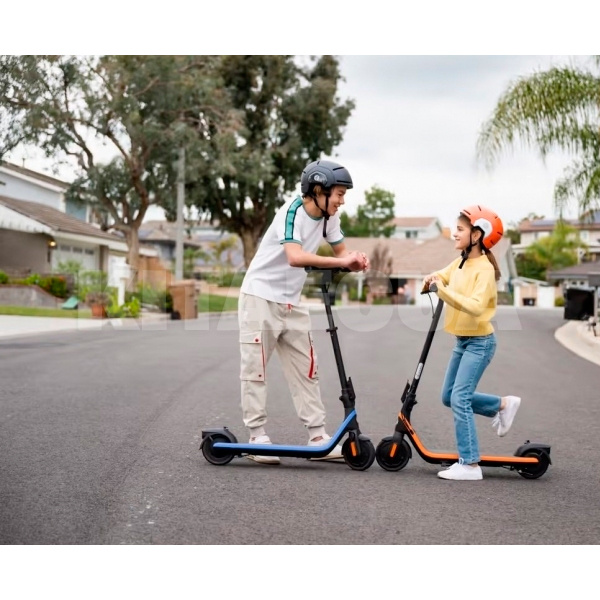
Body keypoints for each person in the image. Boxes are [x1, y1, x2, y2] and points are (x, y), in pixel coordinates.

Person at [238, 159, 369, 464]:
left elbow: (341, 254)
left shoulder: (328, 218)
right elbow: (295, 257)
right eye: (338, 193)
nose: (342, 200)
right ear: (318, 190)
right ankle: (257, 436)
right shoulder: (292, 211)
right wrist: (342, 263)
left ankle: (317, 436)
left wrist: (356, 259)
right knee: (255, 367)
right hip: (260, 296)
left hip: (291, 300)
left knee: (307, 368)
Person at [422, 205, 521, 481]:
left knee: (460, 398)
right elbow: (444, 275)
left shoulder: (485, 269)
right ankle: (502, 405)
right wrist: (433, 278)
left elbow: (477, 307)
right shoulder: (462, 261)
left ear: (477, 235)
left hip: (480, 343)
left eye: (461, 230)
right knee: (448, 396)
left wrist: (443, 290)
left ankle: (470, 465)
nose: (455, 234)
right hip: (463, 341)